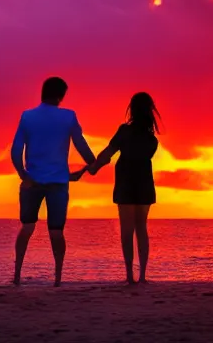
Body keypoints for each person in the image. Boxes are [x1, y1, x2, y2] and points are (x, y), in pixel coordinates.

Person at [10, 76, 96, 286]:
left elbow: (15, 151)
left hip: (32, 182)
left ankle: (17, 275)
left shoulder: (27, 116)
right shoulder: (68, 116)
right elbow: (80, 144)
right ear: (61, 95)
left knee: (27, 227)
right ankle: (58, 278)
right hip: (58, 182)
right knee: (56, 231)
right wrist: (91, 164)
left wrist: (23, 175)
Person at [86, 92, 161, 284]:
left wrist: (93, 167)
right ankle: (143, 275)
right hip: (144, 182)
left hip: (126, 182)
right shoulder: (152, 140)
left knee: (127, 230)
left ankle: (129, 275)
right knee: (141, 228)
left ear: (132, 109)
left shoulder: (124, 131)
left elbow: (108, 153)